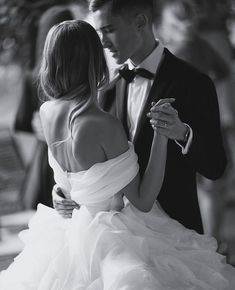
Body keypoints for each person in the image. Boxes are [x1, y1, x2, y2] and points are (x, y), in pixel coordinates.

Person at [0, 19, 235, 290]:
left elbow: (74, 173)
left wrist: (61, 191)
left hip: (68, 239)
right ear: (93, 61)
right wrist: (160, 134)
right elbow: (144, 200)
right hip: (117, 242)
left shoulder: (47, 112)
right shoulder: (102, 124)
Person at [54, 0, 227, 235]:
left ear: (140, 22)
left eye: (109, 30)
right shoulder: (106, 90)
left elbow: (216, 168)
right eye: (99, 33)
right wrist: (64, 192)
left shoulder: (194, 83)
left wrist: (183, 133)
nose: (103, 43)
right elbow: (92, 162)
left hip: (177, 237)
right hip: (119, 238)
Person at [14, 5, 75, 208]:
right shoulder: (81, 75)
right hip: (68, 156)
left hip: (47, 157)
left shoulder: (32, 76)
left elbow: (21, 127)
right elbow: (23, 125)